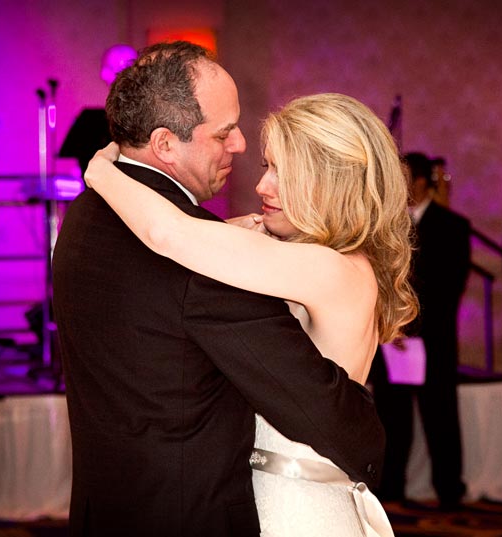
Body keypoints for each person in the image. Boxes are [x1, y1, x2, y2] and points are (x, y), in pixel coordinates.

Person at [53, 41, 410, 537]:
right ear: (165, 142)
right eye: (268, 166)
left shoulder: (329, 268)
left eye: (283, 173)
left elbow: (168, 234)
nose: (261, 184)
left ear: (328, 184)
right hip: (229, 503)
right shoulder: (283, 256)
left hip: (297, 504)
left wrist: (102, 174)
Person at [369, 151, 471, 510]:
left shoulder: (454, 227)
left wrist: (411, 328)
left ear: (424, 183)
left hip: (432, 339)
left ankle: (449, 488)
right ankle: (391, 487)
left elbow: (447, 290)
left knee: (440, 415)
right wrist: (389, 327)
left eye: (406, 179)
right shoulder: (386, 224)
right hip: (391, 339)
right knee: (391, 418)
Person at [59, 44, 138, 175]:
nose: (130, 77)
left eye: (133, 68)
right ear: (105, 74)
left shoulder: (150, 114)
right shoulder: (91, 123)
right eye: (122, 70)